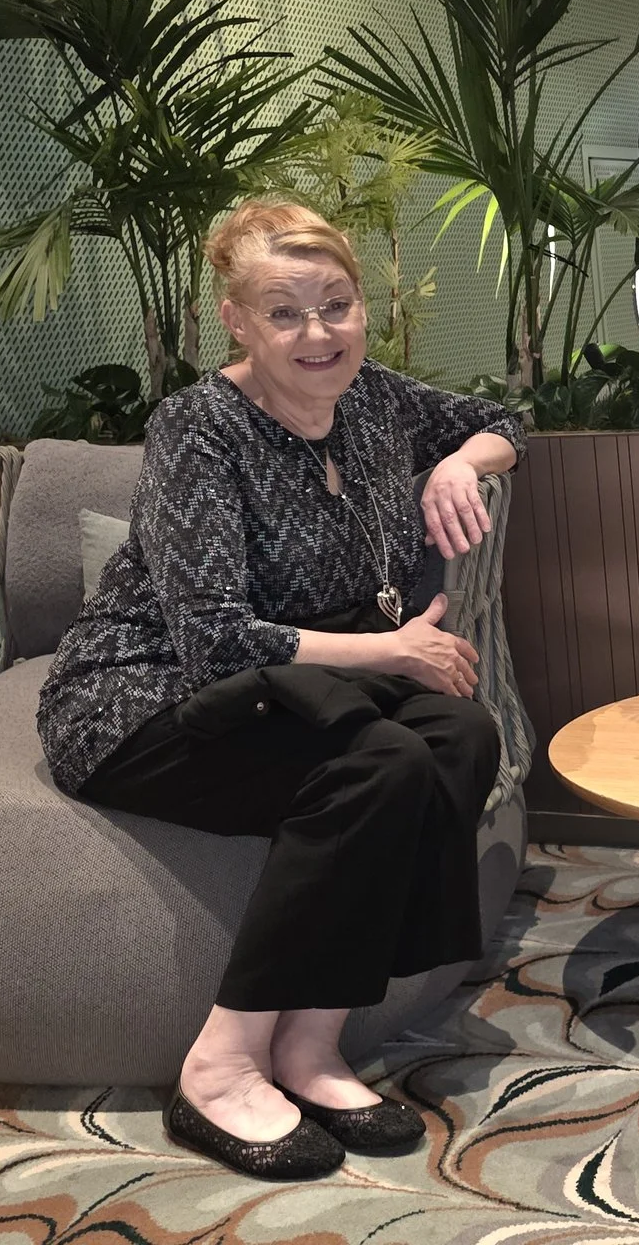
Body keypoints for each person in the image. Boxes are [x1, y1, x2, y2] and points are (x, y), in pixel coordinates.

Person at [35, 199, 524, 1180]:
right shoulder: (198, 428)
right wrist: (390, 652)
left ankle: (309, 1044)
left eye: (335, 306)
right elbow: (213, 639)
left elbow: (504, 422)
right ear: (238, 321)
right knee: (378, 762)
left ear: (360, 308)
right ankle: (219, 1065)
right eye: (285, 313)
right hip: (145, 693)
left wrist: (461, 464)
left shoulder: (379, 401)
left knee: (463, 735)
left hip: (299, 678)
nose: (317, 334)